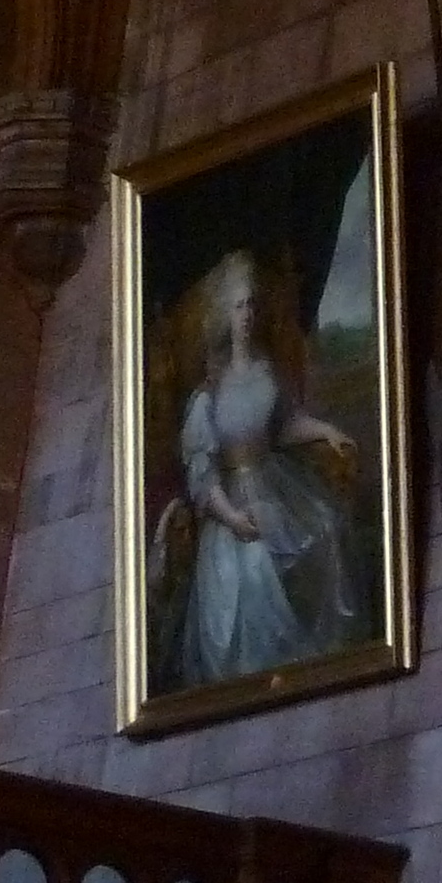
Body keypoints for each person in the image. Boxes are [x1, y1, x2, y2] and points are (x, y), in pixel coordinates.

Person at [151, 249, 359, 691]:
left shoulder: (266, 371)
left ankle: (322, 663)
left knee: (324, 526)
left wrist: (325, 431)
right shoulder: (208, 394)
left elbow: (282, 427)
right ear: (224, 316)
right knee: (254, 568)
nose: (246, 315)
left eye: (251, 305)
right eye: (238, 306)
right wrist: (231, 517)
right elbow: (202, 475)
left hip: (274, 482)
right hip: (230, 501)